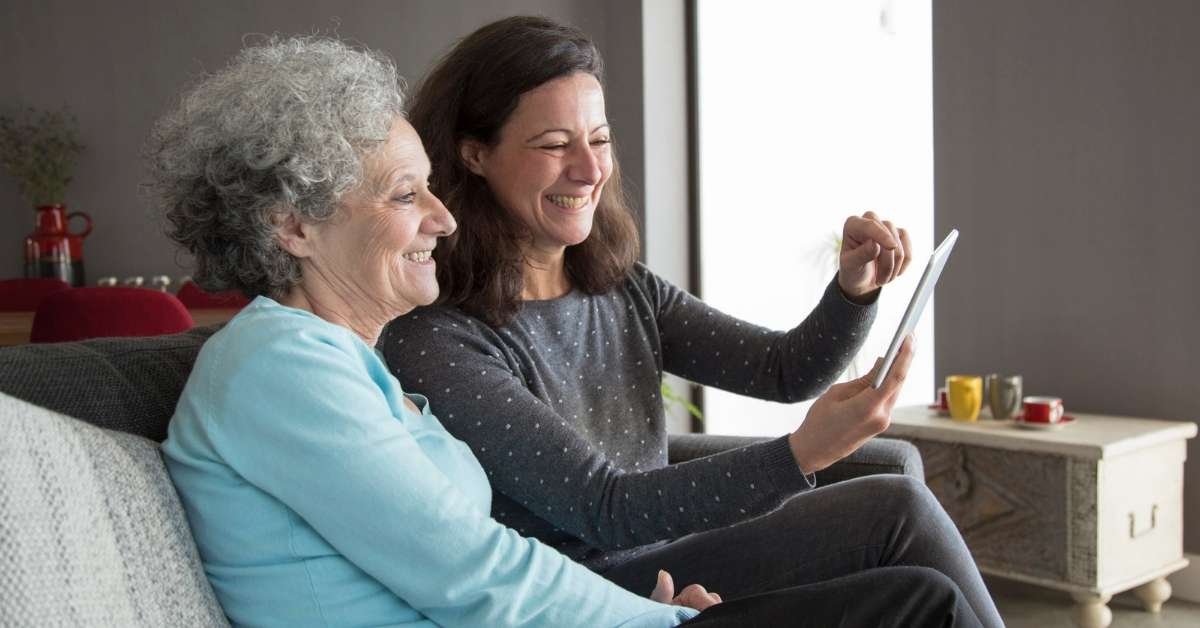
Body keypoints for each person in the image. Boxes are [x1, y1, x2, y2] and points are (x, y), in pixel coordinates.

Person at [383, 15, 1003, 628]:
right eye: (553, 145)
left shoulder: (619, 287)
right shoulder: (440, 336)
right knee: (894, 511)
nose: (589, 169)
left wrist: (852, 290)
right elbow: (603, 508)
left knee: (909, 550)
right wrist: (801, 453)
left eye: (598, 140)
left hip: (668, 548)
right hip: (585, 587)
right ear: (474, 155)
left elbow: (782, 370)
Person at [153, 36, 711, 628]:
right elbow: (474, 572)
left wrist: (641, 614)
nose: (442, 219)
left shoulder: (345, 363)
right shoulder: (277, 365)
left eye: (430, 188)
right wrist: (661, 623)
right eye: (403, 194)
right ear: (293, 226)